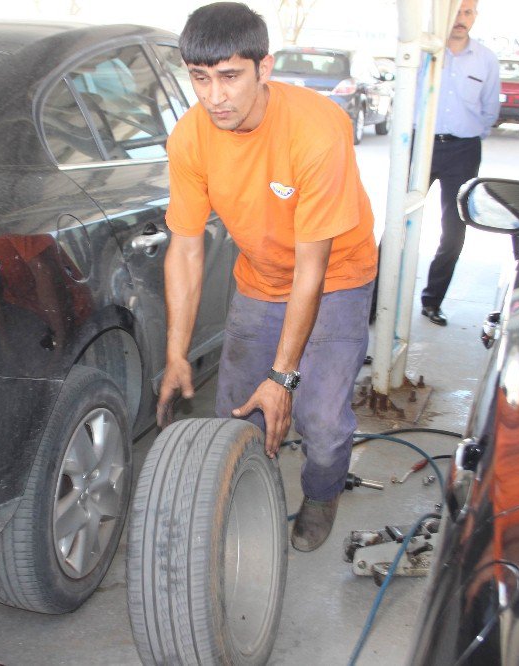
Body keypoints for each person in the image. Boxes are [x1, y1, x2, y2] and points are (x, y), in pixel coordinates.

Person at [155, 2, 378, 552]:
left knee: (319, 418)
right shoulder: (190, 138)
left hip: (336, 279)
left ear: (265, 68)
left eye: (230, 76)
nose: (214, 97)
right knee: (235, 412)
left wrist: (284, 378)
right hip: (260, 278)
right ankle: (249, 497)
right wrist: (177, 352)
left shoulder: (317, 131)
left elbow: (313, 266)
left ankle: (322, 492)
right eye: (200, 78)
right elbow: (185, 248)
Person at [419, 0, 500, 326]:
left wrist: (464, 135)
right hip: (420, 146)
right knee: (397, 229)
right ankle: (374, 306)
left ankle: (432, 302)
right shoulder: (423, 54)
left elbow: (489, 112)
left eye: (467, 12)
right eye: (455, 11)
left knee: (454, 231)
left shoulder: (485, 59)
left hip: (462, 151)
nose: (460, 19)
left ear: (475, 17)